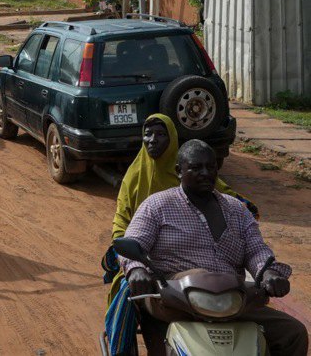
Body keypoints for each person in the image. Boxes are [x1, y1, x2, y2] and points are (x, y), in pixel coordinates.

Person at [121, 139, 307, 356]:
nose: (205, 173)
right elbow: (133, 243)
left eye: (211, 167)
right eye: (196, 167)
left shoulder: (237, 209)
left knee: (294, 333)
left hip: (230, 300)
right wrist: (137, 270)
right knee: (201, 275)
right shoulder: (156, 205)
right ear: (179, 171)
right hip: (174, 299)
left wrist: (268, 272)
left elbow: (256, 250)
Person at [102, 114, 258, 355]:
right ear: (180, 171)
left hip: (221, 286)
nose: (153, 140)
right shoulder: (140, 185)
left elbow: (226, 195)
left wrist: (244, 205)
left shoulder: (215, 193)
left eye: (161, 134)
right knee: (126, 298)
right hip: (158, 268)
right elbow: (122, 221)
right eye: (148, 134)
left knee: (287, 331)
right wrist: (133, 263)